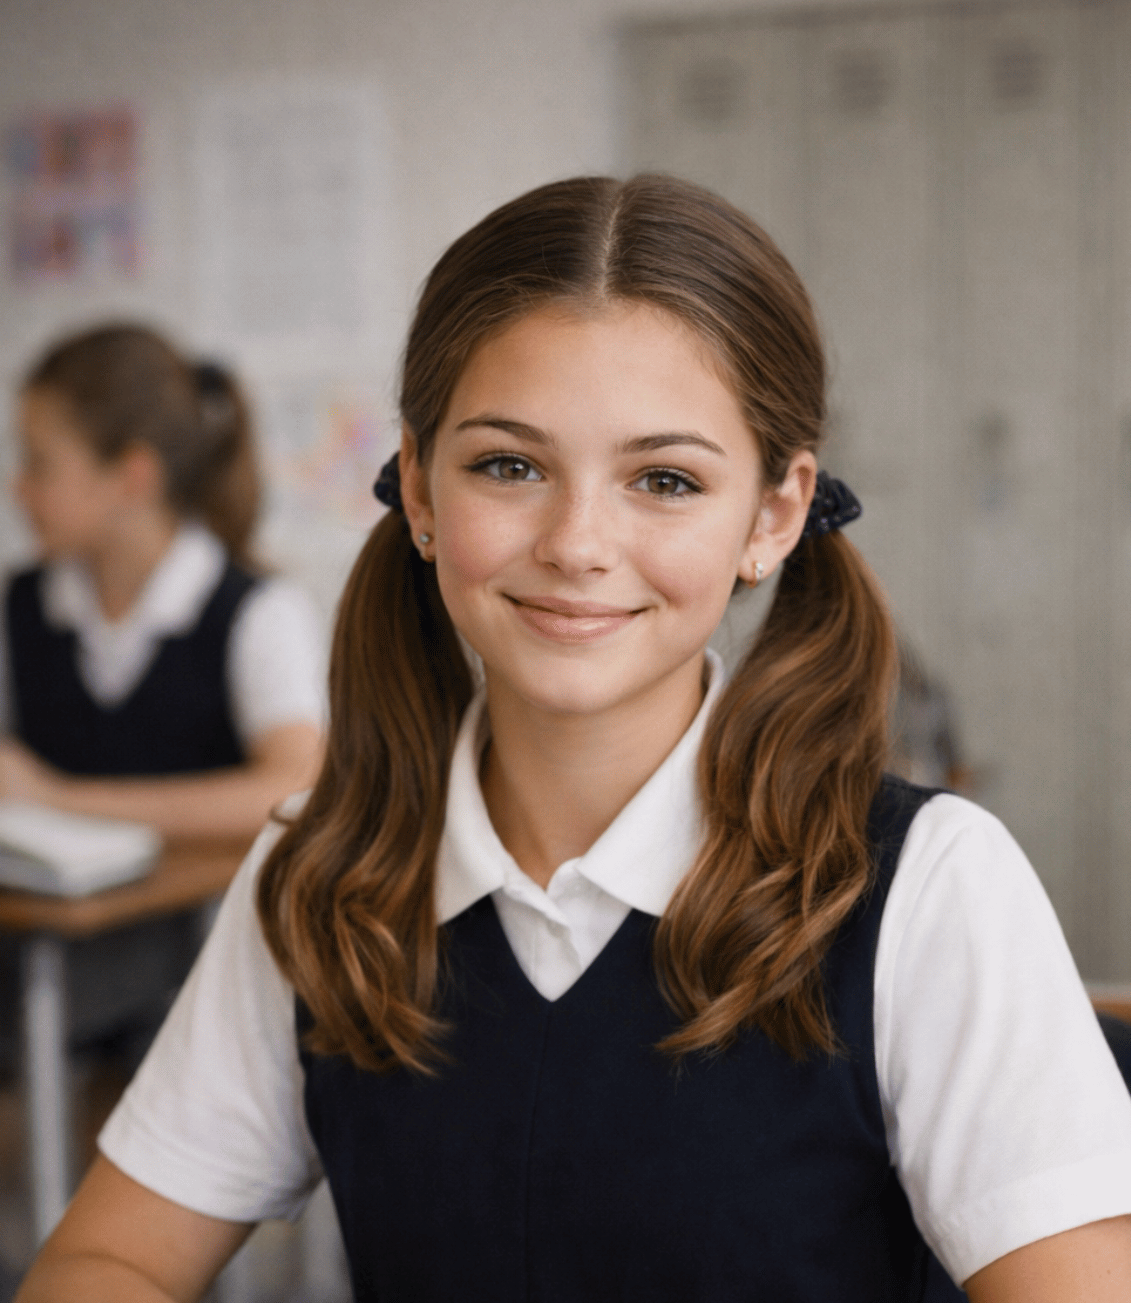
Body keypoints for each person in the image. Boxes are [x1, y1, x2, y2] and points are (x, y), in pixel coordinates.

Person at [16, 178, 1131, 1302]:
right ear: (417, 486)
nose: (578, 543)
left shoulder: (930, 885)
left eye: (665, 480)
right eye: (509, 465)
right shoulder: (324, 869)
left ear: (775, 516)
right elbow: (112, 1256)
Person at [0, 323, 325, 836]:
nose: (18, 490)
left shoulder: (258, 610)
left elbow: (293, 788)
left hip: (205, 916)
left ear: (133, 477)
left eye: (40, 465)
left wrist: (56, 799)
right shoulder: (20, 601)